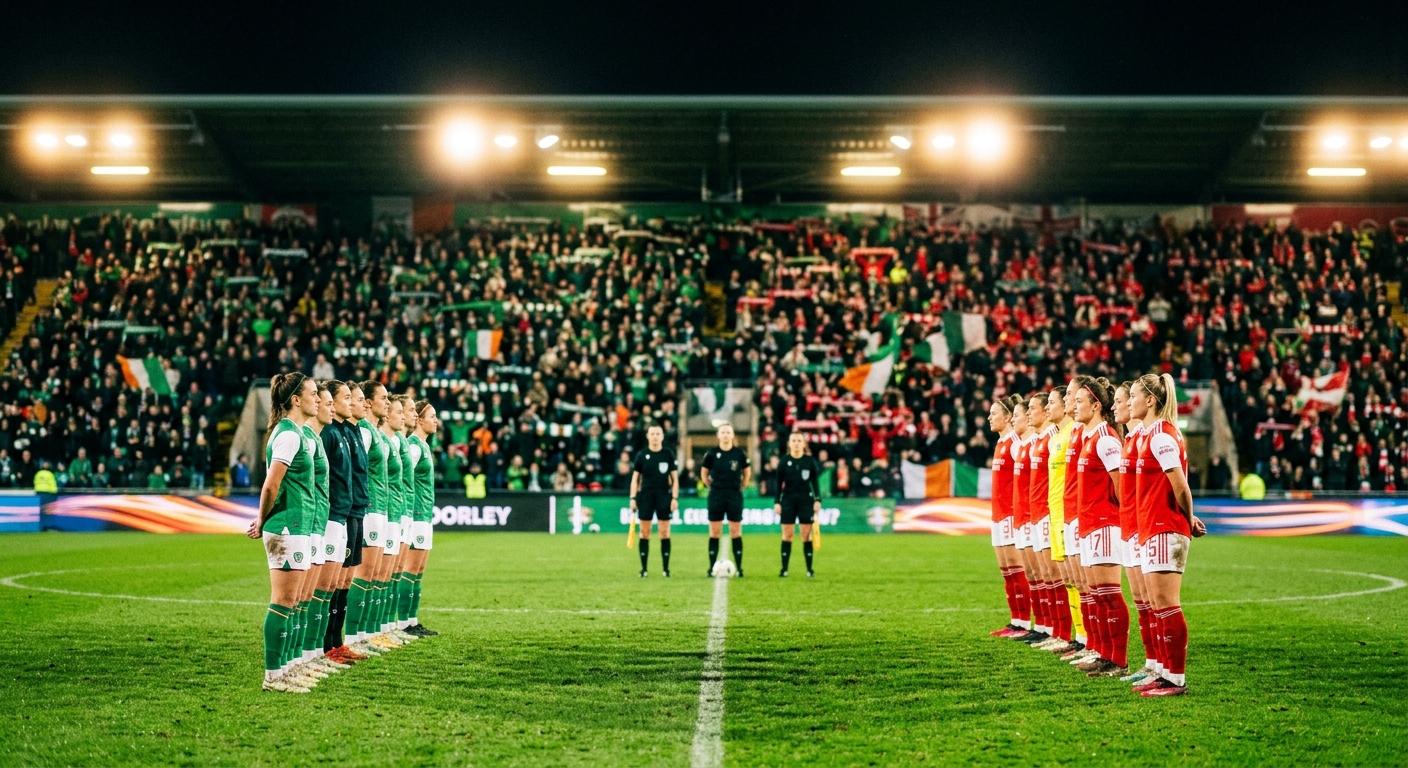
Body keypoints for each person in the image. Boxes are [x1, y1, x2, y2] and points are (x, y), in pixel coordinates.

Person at [1131, 373, 1206, 697]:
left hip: (1164, 527)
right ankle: (1162, 671)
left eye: (1134, 395)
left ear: (1150, 400)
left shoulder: (1161, 436)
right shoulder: (1151, 435)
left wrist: (1187, 519)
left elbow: (1180, 485)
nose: (1131, 400)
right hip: (1153, 526)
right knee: (1157, 603)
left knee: (1166, 602)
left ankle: (1175, 678)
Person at [246, 372, 319, 693]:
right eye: (313, 394)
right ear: (295, 400)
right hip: (285, 527)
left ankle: (289, 668)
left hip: (298, 524)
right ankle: (274, 675)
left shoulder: (299, 433)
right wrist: (263, 521)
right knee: (284, 600)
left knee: (297, 600)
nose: (317, 398)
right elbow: (271, 485)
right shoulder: (288, 435)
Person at [1071, 376, 1130, 678]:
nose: (1075, 406)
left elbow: (1121, 487)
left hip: (1105, 524)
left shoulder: (1106, 439)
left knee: (1108, 593)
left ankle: (1116, 659)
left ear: (1095, 405)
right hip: (1090, 524)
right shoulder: (1089, 437)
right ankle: (1101, 652)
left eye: (1080, 401)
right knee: (1095, 593)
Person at [319, 380, 367, 665]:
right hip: (337, 513)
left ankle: (337, 642)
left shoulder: (351, 432)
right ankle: (326, 645)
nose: (350, 403)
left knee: (345, 580)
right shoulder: (330, 434)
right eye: (347, 397)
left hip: (353, 510)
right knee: (331, 582)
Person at [1114, 381, 1156, 685]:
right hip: (1131, 526)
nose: (1122, 406)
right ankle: (1151, 664)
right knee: (1142, 601)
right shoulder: (1132, 439)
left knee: (1157, 602)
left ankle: (1164, 670)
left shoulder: (1152, 437)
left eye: (1126, 399)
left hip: (1146, 526)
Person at [1043, 385, 1083, 657]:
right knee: (1068, 580)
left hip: (1071, 516)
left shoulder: (1073, 435)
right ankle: (1077, 636)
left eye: (1052, 402)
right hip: (1055, 514)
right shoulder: (1055, 438)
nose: (1048, 408)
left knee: (1080, 582)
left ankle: (1084, 638)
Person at [986, 395, 1028, 637]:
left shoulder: (1014, 444)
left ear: (1008, 417)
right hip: (999, 516)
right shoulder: (1002, 443)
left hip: (1011, 516)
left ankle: (1024, 623)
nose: (990, 417)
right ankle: (1016, 621)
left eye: (994, 413)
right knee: (1007, 572)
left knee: (1017, 570)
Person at [405, 400, 441, 637]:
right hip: (415, 514)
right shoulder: (414, 447)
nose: (436, 420)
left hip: (424, 515)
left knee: (417, 571)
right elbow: (402, 480)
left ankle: (412, 620)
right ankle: (403, 622)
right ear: (419, 419)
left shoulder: (424, 446)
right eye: (432, 416)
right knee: (409, 570)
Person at [700, 423, 751, 577]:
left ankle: (740, 568)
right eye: (723, 432)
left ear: (732, 435)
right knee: (715, 532)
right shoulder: (711, 454)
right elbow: (704, 474)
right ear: (718, 435)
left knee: (735, 531)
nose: (726, 435)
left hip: (734, 495)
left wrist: (742, 486)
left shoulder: (739, 454)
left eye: (728, 432)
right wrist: (711, 485)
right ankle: (711, 568)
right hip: (716, 495)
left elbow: (747, 473)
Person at [773, 431, 823, 577]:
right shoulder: (783, 462)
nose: (796, 443)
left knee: (806, 535)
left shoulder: (810, 461)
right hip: (788, 500)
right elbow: (778, 484)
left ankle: (809, 570)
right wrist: (777, 502)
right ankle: (784, 569)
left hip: (805, 501)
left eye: (799, 441)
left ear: (803, 443)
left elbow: (815, 483)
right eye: (793, 440)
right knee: (787, 535)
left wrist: (817, 499)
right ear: (789, 443)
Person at [630, 425, 677, 577]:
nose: (655, 436)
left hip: (664, 495)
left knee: (664, 532)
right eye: (652, 433)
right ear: (648, 436)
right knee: (644, 532)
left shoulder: (668, 454)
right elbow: (635, 479)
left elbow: (674, 480)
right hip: (645, 496)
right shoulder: (642, 455)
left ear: (662, 436)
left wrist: (675, 498)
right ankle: (643, 569)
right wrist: (632, 498)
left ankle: (666, 569)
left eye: (658, 433)